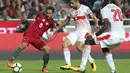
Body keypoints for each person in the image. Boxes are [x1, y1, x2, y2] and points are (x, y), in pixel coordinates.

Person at [54, 0, 99, 72]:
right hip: (76, 31)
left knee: (78, 47)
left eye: (72, 3)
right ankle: (68, 64)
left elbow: (93, 17)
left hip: (85, 31)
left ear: (77, 1)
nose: (71, 4)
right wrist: (58, 28)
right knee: (64, 43)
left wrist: (96, 24)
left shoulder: (85, 8)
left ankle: (91, 60)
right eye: (70, 3)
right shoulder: (71, 11)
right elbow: (66, 20)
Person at [7, 6, 56, 72]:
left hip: (37, 37)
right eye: (47, 13)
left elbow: (54, 29)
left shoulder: (52, 22)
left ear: (52, 14)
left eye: (50, 13)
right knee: (23, 45)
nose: (48, 14)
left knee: (47, 49)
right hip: (30, 33)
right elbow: (28, 20)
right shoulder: (40, 15)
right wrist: (23, 12)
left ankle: (44, 68)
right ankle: (10, 61)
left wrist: (52, 33)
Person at [85, 0, 125, 73]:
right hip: (122, 36)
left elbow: (105, 26)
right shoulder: (118, 8)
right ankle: (113, 71)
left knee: (87, 41)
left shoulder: (105, 9)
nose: (101, 1)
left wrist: (94, 35)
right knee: (105, 49)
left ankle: (84, 65)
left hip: (113, 36)